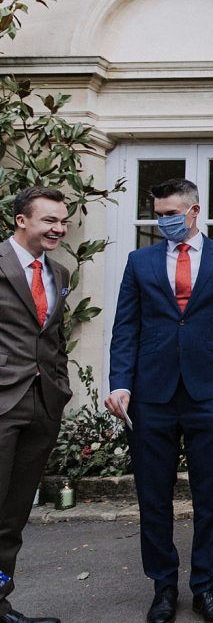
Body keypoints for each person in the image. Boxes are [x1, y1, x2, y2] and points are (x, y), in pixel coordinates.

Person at [105, 178, 213, 623]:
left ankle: (206, 588)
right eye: (158, 214)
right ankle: (163, 587)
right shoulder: (140, 261)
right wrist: (120, 382)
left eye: (171, 213)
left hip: (211, 393)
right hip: (151, 395)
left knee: (210, 496)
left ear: (193, 211)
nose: (163, 221)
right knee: (154, 497)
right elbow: (125, 327)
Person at [0, 187, 72, 623]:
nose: (58, 228)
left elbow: (54, 338)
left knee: (12, 517)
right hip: (2, 402)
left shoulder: (60, 273)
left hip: (43, 405)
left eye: (62, 221)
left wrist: (59, 386)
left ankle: (0, 603)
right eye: (49, 220)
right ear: (21, 220)